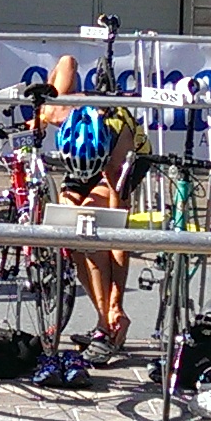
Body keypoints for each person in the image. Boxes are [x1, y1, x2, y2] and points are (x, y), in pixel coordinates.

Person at [37, 52, 136, 359]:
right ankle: (105, 319)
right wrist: (41, 114)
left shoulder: (119, 143)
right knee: (72, 233)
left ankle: (109, 321)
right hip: (82, 159)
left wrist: (118, 300)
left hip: (119, 164)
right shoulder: (58, 110)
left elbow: (119, 242)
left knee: (96, 237)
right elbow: (68, 61)